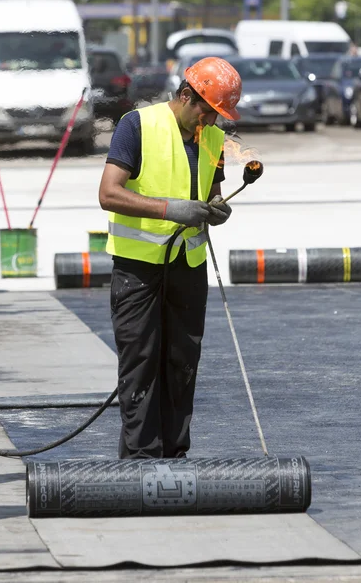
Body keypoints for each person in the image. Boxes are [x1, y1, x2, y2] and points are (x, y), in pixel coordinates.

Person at [99, 57, 243, 460]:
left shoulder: (212, 138)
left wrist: (216, 208)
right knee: (141, 363)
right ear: (185, 96)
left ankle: (175, 457)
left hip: (188, 267)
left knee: (182, 362)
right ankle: (142, 462)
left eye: (218, 115)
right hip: (139, 269)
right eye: (208, 111)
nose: (212, 122)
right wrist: (170, 209)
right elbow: (108, 193)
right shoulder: (137, 126)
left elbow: (210, 191)